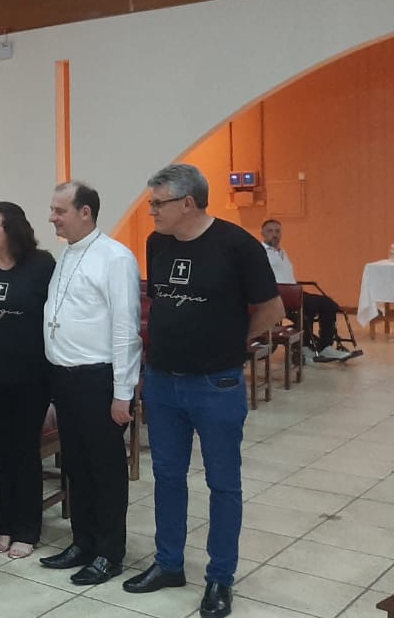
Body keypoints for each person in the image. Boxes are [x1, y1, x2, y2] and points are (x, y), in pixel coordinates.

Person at [124, 165, 283, 618]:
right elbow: (163, 301)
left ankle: (220, 577)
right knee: (167, 476)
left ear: (188, 203)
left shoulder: (237, 245)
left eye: (158, 203)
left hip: (216, 383)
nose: (152, 211)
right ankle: (169, 563)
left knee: (223, 483)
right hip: (162, 380)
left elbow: (272, 309)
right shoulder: (158, 243)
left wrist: (234, 343)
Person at [38, 181, 141, 586]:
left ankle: (109, 552)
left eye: (59, 210)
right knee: (77, 466)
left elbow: (126, 329)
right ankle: (83, 542)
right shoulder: (67, 254)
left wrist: (122, 393)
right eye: (52, 209)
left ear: (85, 212)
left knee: (105, 470)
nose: (52, 217)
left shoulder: (115, 257)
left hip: (98, 379)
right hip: (65, 378)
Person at [0, 202, 55, 559]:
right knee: (2, 451)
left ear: (11, 229)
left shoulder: (41, 265)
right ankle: (4, 523)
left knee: (25, 450)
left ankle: (27, 528)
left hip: (32, 375)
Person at [260, 219, 355, 361]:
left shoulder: (283, 252)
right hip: (278, 296)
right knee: (308, 307)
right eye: (270, 231)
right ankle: (304, 346)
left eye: (278, 231)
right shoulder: (260, 252)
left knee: (328, 304)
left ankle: (326, 346)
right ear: (262, 233)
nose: (274, 234)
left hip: (294, 292)